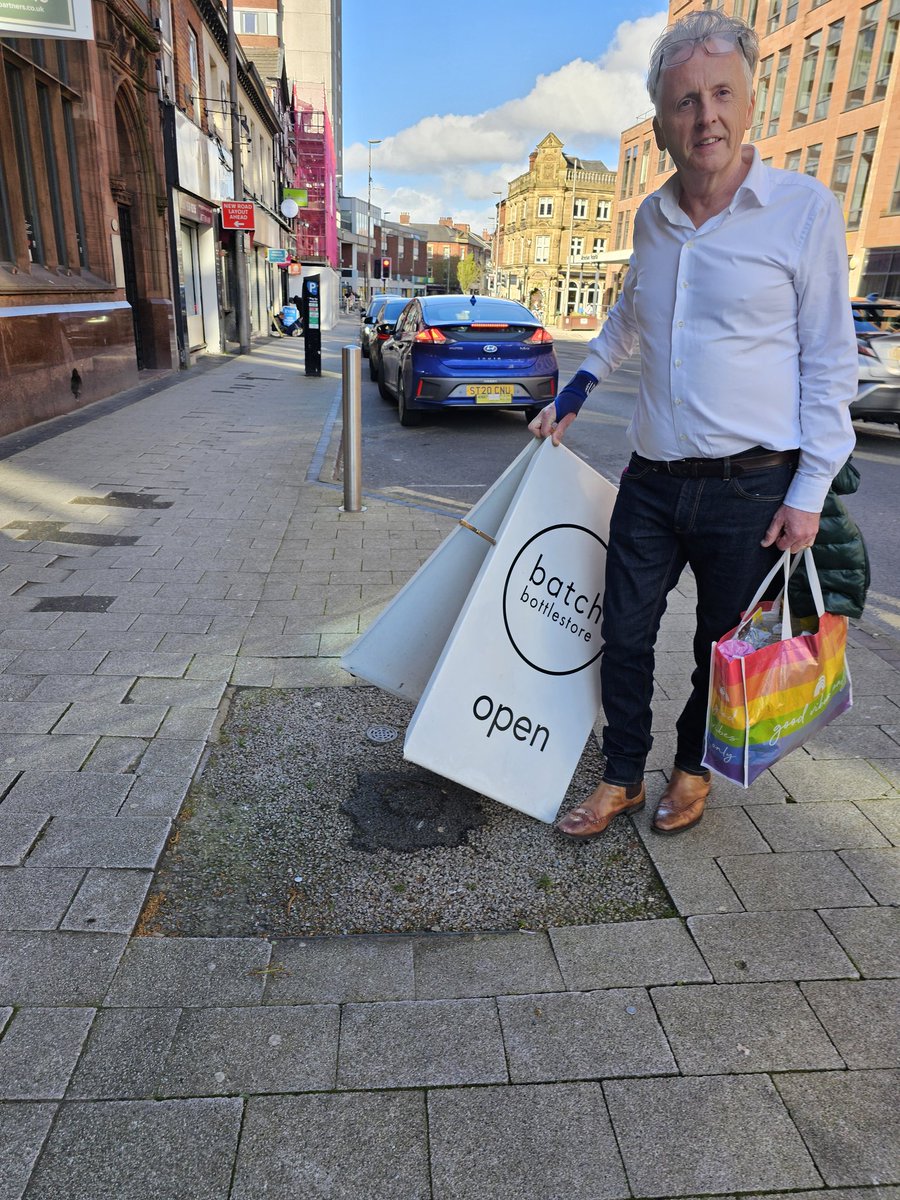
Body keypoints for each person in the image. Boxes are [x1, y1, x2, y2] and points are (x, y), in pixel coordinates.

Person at [530, 9, 856, 837]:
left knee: (721, 651)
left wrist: (810, 490)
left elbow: (829, 363)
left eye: (720, 95)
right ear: (664, 123)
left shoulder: (803, 211)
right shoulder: (651, 217)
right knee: (625, 636)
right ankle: (619, 777)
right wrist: (576, 391)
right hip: (653, 477)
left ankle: (688, 768)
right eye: (684, 102)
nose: (704, 116)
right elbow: (628, 317)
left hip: (752, 489)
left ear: (749, 103)